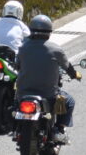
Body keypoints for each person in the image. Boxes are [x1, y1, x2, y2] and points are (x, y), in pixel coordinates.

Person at [15, 15, 81, 144]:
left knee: (15, 106)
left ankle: (16, 128)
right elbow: (67, 67)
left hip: (23, 93)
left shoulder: (22, 48)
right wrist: (74, 75)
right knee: (69, 101)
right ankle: (59, 130)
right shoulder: (56, 49)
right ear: (49, 32)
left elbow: (17, 66)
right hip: (48, 95)